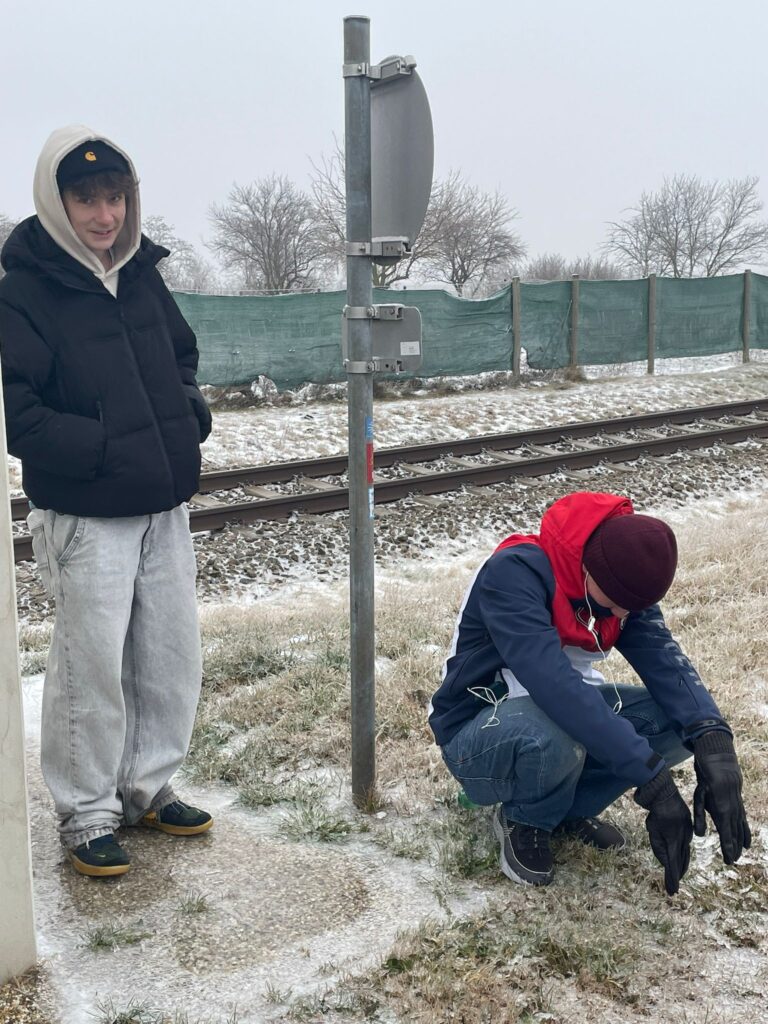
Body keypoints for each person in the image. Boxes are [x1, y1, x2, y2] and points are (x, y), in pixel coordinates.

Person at [0, 125, 214, 878]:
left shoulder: (142, 272)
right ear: (57, 202)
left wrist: (188, 413)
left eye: (114, 197)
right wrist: (103, 450)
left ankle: (148, 787)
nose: (104, 215)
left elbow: (181, 354)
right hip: (87, 513)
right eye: (86, 198)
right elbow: (17, 412)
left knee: (167, 654)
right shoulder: (25, 287)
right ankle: (87, 812)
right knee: (89, 666)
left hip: (163, 502)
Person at [429, 491, 751, 894]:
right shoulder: (515, 573)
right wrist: (653, 781)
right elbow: (555, 688)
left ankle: (567, 810)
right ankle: (526, 817)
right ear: (589, 569)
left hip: (552, 716)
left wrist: (713, 741)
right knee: (557, 731)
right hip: (477, 730)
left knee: (673, 723)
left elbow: (665, 662)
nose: (621, 616)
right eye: (616, 604)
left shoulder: (619, 587)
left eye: (632, 609)